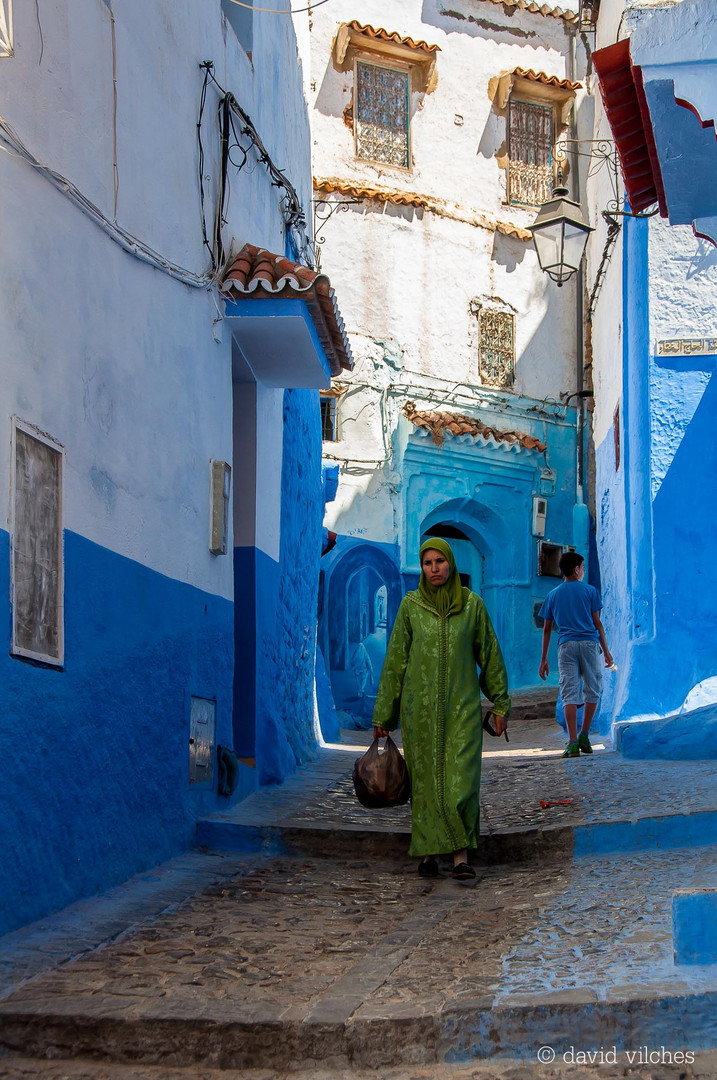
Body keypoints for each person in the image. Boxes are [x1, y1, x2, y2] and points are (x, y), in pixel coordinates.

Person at [372, 538, 511, 882]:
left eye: (439, 561)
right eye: (427, 563)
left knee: (461, 782)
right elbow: (395, 662)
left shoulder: (472, 606)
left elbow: (489, 655)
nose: (433, 569)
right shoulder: (411, 606)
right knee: (425, 784)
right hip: (418, 712)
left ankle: (461, 856)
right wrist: (383, 716)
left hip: (462, 710)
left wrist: (500, 702)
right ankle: (429, 853)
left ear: (450, 564)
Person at [538, 551, 613, 758]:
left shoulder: (553, 595)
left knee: (569, 693)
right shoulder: (590, 591)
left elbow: (546, 629)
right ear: (576, 569)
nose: (584, 570)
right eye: (582, 566)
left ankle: (571, 742)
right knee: (592, 689)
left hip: (566, 646)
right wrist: (606, 651)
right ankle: (585, 735)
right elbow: (598, 624)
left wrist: (544, 659)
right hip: (589, 644)